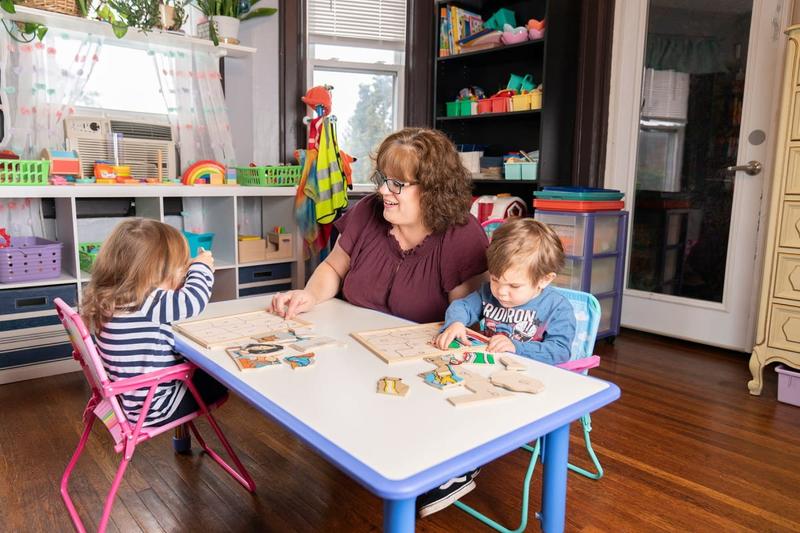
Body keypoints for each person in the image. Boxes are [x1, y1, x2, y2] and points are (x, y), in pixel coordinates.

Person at [271, 127, 489, 516]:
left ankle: (456, 464)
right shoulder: (367, 212)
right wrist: (309, 294)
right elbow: (334, 268)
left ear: (434, 189)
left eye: (398, 183)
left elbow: (467, 317)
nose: (384, 191)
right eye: (383, 179)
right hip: (355, 353)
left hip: (420, 367)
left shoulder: (461, 236)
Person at [81, 218, 226, 427]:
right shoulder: (149, 302)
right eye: (180, 266)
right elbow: (193, 301)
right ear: (157, 270)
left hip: (125, 402)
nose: (183, 272)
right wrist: (201, 267)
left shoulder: (109, 297)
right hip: (154, 407)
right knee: (219, 377)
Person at [435, 217, 577, 365]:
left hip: (529, 373)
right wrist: (456, 322)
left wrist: (516, 347)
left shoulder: (558, 308)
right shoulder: (488, 294)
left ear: (544, 280)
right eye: (495, 279)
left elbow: (560, 351)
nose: (501, 291)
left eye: (514, 286)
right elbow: (462, 306)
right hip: (490, 366)